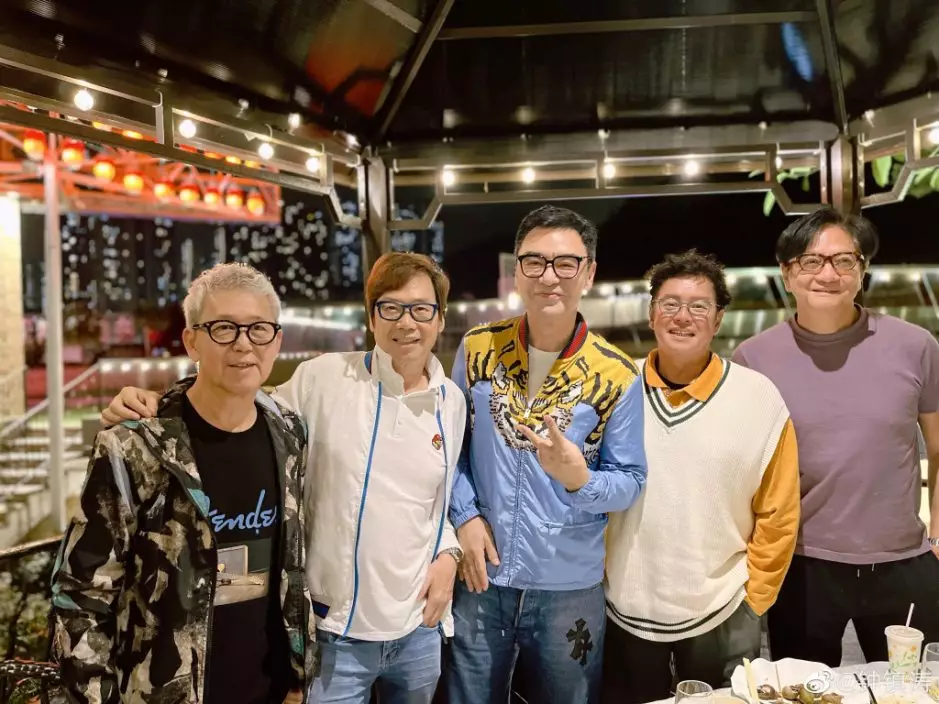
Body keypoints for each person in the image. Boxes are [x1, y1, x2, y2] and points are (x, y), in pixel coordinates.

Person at [100, 252, 466, 704]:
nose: (406, 322)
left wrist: (449, 552)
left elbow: (436, 500)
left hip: (418, 630)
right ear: (372, 318)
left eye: (421, 309)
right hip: (334, 636)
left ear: (439, 319)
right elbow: (239, 398)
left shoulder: (452, 402)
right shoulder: (324, 377)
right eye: (390, 307)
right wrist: (157, 402)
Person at [51, 262, 313, 704]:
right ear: (192, 341)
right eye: (223, 328)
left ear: (277, 340)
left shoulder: (289, 434)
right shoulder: (135, 448)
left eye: (258, 329)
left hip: (268, 689)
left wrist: (297, 678)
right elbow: (81, 594)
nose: (243, 344)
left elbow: (290, 567)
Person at [446, 205, 647, 704]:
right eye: (534, 262)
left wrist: (581, 479)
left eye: (566, 263)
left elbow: (631, 480)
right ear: (517, 272)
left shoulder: (617, 373)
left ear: (589, 273)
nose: (549, 276)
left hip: (568, 586)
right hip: (482, 575)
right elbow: (450, 449)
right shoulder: (478, 348)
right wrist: (465, 516)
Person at [732, 206, 939, 666]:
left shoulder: (916, 346)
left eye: (844, 260)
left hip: (904, 562)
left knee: (912, 690)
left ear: (862, 270)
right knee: (803, 690)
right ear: (787, 273)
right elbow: (742, 470)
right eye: (811, 261)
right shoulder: (753, 358)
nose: (828, 274)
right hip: (801, 565)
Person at [602, 250, 800, 704]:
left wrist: (753, 601)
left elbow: (780, 511)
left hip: (725, 610)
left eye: (698, 306)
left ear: (718, 319)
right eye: (670, 304)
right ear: (651, 314)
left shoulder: (758, 397)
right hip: (624, 610)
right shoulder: (616, 388)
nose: (682, 317)